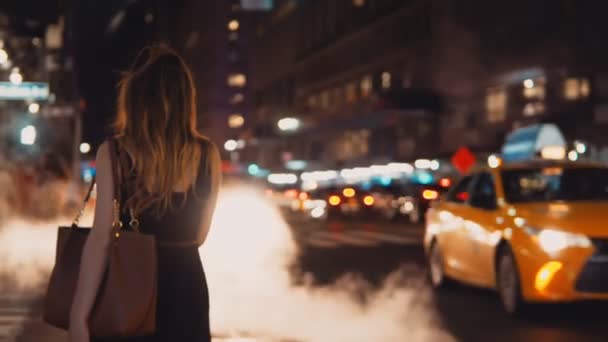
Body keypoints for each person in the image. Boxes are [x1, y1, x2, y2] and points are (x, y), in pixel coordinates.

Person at [68, 45, 221, 342]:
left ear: (135, 99)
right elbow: (200, 235)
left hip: (130, 286)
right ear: (185, 99)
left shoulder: (114, 153)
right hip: (186, 289)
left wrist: (79, 316)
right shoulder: (207, 154)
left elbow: (100, 239)